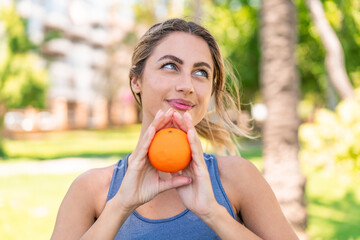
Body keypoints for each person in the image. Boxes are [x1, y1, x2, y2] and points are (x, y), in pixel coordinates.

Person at [51, 18, 299, 240]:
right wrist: (120, 205)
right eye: (170, 66)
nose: (187, 85)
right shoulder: (91, 189)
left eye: (201, 72)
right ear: (137, 80)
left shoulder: (238, 178)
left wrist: (213, 213)